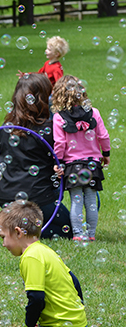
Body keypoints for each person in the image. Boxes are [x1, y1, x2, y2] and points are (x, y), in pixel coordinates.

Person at [0, 200, 102, 327]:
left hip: (58, 326)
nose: (3, 244)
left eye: (3, 237)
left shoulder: (30, 257)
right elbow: (73, 280)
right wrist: (77, 307)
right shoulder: (44, 250)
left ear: (19, 232)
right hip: (72, 321)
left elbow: (36, 297)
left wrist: (30, 321)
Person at [0, 73, 72, 239]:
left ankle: (18, 223)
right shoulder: (50, 129)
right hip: (38, 198)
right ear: (44, 98)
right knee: (69, 229)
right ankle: (31, 229)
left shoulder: (5, 128)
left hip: (6, 195)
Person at [51, 75, 110, 241]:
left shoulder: (58, 117)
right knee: (91, 199)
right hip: (93, 164)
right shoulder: (94, 112)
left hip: (72, 165)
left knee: (76, 201)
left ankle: (78, 234)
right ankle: (91, 235)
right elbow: (103, 136)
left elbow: (60, 143)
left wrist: (59, 162)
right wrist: (106, 154)